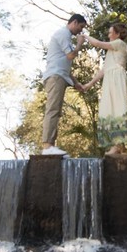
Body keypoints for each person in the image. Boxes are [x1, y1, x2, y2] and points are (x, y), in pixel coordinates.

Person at [41, 13, 88, 156]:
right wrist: (79, 43)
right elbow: (71, 55)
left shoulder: (65, 35)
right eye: (80, 27)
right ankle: (47, 146)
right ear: (74, 22)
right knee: (53, 110)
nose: (80, 31)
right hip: (55, 77)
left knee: (56, 110)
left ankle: (50, 145)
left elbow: (64, 64)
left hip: (59, 76)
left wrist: (76, 83)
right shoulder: (63, 33)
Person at [80, 22, 127, 155]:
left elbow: (98, 43)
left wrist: (85, 36)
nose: (108, 35)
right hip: (109, 79)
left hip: (117, 78)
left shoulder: (119, 43)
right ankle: (116, 145)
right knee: (109, 108)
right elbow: (104, 70)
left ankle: (118, 144)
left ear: (117, 34)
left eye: (110, 32)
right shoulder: (111, 50)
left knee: (117, 108)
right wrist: (90, 84)